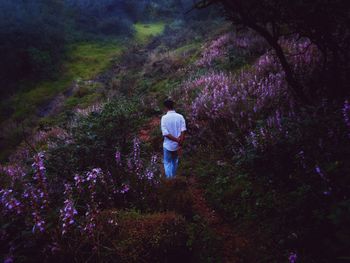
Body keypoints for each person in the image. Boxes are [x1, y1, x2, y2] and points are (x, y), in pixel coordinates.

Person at [161, 99, 186, 178]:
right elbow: (183, 130)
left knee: (167, 162)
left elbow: (165, 134)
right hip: (177, 144)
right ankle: (174, 177)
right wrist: (180, 140)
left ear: (165, 107)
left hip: (168, 144)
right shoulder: (180, 116)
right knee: (175, 161)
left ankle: (169, 179)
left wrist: (177, 140)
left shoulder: (164, 118)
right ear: (173, 105)